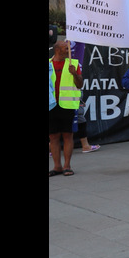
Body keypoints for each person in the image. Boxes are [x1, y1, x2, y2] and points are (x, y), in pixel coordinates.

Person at [49, 40, 82, 176]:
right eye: (65, 48)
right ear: (57, 50)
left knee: (68, 135)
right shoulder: (49, 63)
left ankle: (67, 166)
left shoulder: (73, 63)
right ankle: (57, 167)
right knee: (53, 137)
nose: (68, 51)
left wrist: (74, 73)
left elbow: (80, 85)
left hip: (67, 105)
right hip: (51, 105)